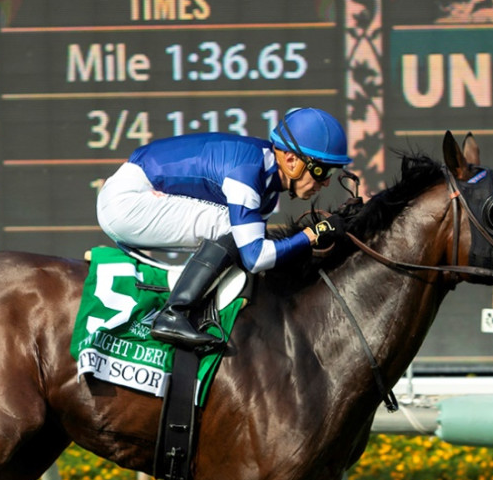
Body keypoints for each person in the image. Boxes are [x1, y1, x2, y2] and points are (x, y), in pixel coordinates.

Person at [96, 106, 351, 352]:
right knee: (235, 229)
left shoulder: (268, 189)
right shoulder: (248, 172)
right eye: (321, 170)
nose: (326, 182)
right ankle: (174, 314)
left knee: (243, 236)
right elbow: (257, 257)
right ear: (292, 160)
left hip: (134, 196)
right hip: (127, 201)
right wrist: (310, 235)